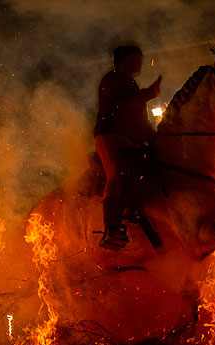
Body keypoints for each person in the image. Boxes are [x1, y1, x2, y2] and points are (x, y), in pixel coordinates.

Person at [94, 45, 161, 249]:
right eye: (134, 60)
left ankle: (137, 211)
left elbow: (139, 117)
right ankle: (111, 226)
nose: (138, 64)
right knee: (117, 170)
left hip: (131, 139)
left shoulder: (130, 82)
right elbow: (126, 104)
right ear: (120, 61)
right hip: (110, 136)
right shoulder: (112, 79)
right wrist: (149, 93)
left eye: (139, 60)